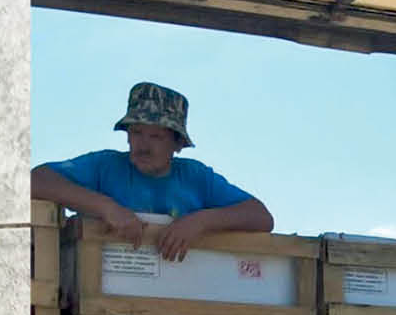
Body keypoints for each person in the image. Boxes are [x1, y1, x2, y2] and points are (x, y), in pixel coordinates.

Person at [31, 81, 274, 262]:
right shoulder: (105, 165)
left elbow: (261, 217)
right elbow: (36, 180)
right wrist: (106, 207)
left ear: (178, 144)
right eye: (136, 133)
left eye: (156, 136)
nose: (143, 145)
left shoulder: (195, 177)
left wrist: (199, 222)